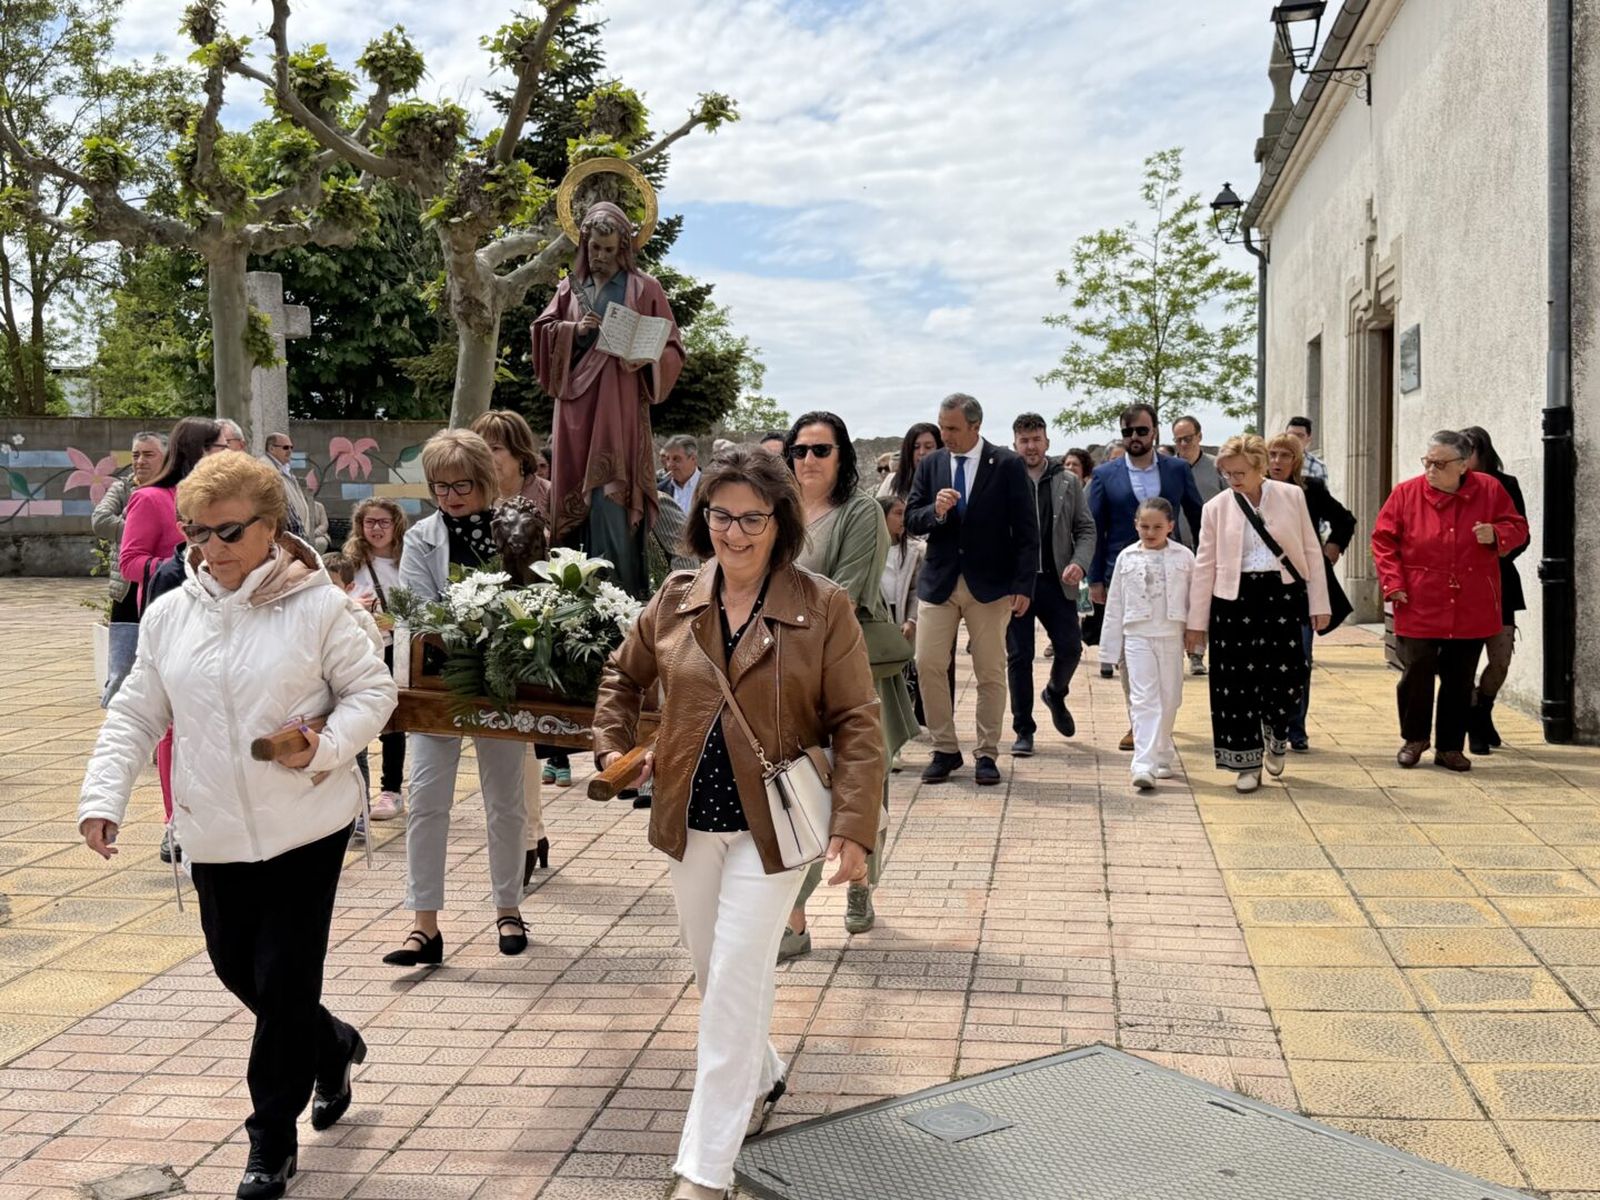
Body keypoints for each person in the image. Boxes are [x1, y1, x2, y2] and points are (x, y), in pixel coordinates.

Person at [79, 452, 395, 1200]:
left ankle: (269, 1142)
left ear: (270, 528)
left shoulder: (320, 606)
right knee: (238, 971)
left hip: (305, 825)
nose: (210, 550)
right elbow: (135, 711)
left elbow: (370, 692)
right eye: (196, 534)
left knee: (283, 982)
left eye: (228, 533)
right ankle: (335, 1043)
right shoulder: (168, 613)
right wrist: (102, 797)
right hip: (213, 828)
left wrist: (326, 745)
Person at [593, 447, 884, 1200]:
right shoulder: (676, 597)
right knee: (713, 972)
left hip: (773, 831)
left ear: (780, 522)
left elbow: (857, 721)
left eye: (753, 517)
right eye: (722, 515)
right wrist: (616, 747)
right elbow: (622, 677)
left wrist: (854, 826)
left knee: (731, 986)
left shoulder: (822, 607)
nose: (736, 531)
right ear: (703, 519)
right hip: (687, 822)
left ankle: (705, 1168)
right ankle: (764, 1072)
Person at [385, 430, 530, 965]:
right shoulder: (422, 537)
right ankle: (424, 924)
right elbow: (415, 610)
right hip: (438, 684)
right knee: (425, 800)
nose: (450, 496)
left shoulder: (514, 527)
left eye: (462, 484)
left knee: (506, 803)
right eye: (440, 487)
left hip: (503, 683)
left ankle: (508, 908)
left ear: (486, 479)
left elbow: (532, 597)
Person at [779, 412, 916, 957]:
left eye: (821, 450)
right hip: (785, 670)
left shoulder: (861, 512)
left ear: (842, 457)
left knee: (860, 784)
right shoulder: (778, 510)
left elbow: (847, 593)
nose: (808, 459)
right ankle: (794, 917)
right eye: (800, 450)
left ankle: (859, 882)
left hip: (848, 669)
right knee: (795, 788)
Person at [533, 200, 685, 598]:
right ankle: (571, 598)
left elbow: (672, 348)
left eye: (608, 248)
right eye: (593, 248)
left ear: (624, 248)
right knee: (571, 496)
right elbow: (543, 330)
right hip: (573, 410)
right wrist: (574, 330)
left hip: (618, 407)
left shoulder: (645, 288)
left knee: (611, 501)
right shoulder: (569, 289)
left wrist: (646, 353)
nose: (599, 256)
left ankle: (620, 599)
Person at [1371, 430, 1528, 771]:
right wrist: (1393, 583)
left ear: (1462, 465)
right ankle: (1414, 739)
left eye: (1439, 464)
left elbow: (1518, 528)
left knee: (1459, 677)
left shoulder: (1490, 489)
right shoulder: (1405, 493)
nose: (1430, 470)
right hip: (1418, 598)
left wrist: (1497, 534)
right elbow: (1384, 540)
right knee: (1417, 670)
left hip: (1471, 601)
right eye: (1427, 462)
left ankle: (1450, 747)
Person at [906, 394, 1038, 786]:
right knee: (927, 662)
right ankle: (945, 749)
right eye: (941, 426)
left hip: (991, 585)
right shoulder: (930, 465)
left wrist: (1023, 583)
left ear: (975, 427)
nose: (944, 435)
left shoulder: (1008, 464)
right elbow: (912, 519)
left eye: (952, 428)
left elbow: (1027, 532)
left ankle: (987, 752)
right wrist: (936, 511)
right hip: (939, 581)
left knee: (990, 670)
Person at [1186, 435, 1330, 793]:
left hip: (1281, 595)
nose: (1233, 480)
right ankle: (1245, 763)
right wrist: (1196, 625)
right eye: (1227, 473)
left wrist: (1320, 604)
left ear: (1260, 467)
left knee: (1288, 676)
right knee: (1235, 686)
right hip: (1232, 601)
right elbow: (1205, 565)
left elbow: (1312, 552)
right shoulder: (1216, 508)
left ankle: (1278, 732)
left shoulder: (1291, 496)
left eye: (1239, 473)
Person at [119, 417, 229, 862]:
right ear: (199, 450)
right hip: (175, 614)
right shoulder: (151, 498)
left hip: (222, 616)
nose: (229, 453)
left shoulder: (224, 499)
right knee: (172, 725)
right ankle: (173, 822)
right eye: (221, 446)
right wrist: (179, 564)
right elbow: (130, 562)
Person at [1087, 405, 1204, 749]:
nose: (1134, 438)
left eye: (1140, 431)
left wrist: (1202, 567)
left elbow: (1198, 519)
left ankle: (1162, 716)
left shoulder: (1178, 470)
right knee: (1128, 653)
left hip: (1171, 574)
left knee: (1168, 652)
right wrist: (1096, 579)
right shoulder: (1105, 474)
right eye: (1127, 432)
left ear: (1154, 432)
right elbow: (1096, 528)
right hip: (1122, 573)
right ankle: (1137, 722)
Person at [472, 409, 555, 878]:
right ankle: (533, 832)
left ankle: (524, 838)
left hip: (534, 630)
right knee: (511, 740)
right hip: (486, 631)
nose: (487, 456)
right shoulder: (474, 501)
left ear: (520, 453)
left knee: (519, 738)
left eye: (496, 447)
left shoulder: (544, 498)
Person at [1006, 413, 1095, 757]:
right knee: (1020, 656)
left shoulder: (1068, 482)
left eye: (1036, 439)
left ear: (1047, 441)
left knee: (1071, 648)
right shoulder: (1004, 478)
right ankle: (1023, 730)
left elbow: (1086, 528)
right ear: (1015, 443)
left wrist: (1079, 561)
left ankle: (1056, 692)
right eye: (1024, 440)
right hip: (1018, 584)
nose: (1030, 446)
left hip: (1058, 581)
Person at [1267, 434, 1357, 751]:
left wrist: (1331, 549)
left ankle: (1296, 728)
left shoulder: (1311, 490)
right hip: (1264, 588)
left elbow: (1345, 519)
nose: (1277, 462)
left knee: (1300, 659)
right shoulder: (1255, 490)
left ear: (1297, 460)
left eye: (1285, 456)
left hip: (1304, 586)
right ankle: (1269, 723)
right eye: (1272, 454)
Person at [1101, 498, 1193, 789]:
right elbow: (1115, 602)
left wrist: (1197, 638)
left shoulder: (1185, 557)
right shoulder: (1127, 557)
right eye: (1144, 526)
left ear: (1170, 526)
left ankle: (1162, 753)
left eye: (1157, 527)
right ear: (1135, 525)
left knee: (1170, 697)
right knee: (1143, 699)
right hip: (1136, 635)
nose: (1150, 532)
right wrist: (1109, 649)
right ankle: (1143, 764)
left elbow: (1196, 600)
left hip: (1171, 635)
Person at [1461, 426, 1527, 755]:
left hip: (1499, 581)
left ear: (1482, 451)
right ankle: (1475, 722)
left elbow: (1521, 533)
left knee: (1500, 659)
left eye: (1467, 450)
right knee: (1462, 661)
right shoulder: (1449, 487)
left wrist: (1497, 544)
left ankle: (1482, 711)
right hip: (1461, 586)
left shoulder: (1506, 484)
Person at [344, 498, 408, 822]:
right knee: (356, 717)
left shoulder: (407, 560)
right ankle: (354, 794)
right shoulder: (350, 560)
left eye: (384, 522)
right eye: (370, 522)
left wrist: (391, 620)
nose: (377, 528)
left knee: (393, 721)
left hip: (395, 645)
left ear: (396, 524)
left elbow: (419, 605)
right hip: (358, 649)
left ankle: (391, 789)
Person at [93, 430, 167, 701]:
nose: (140, 461)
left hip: (163, 587)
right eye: (136, 455)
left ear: (166, 458)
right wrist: (140, 529)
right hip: (127, 589)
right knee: (122, 667)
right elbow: (100, 520)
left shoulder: (175, 490)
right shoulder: (122, 487)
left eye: (148, 454)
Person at [878, 494, 926, 732]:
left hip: (903, 620)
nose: (903, 519)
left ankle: (901, 733)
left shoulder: (916, 551)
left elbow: (917, 589)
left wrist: (911, 619)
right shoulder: (868, 549)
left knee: (904, 679)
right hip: (878, 621)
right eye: (897, 513)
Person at [260, 432, 313, 538]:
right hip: (283, 535)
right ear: (271, 449)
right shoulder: (266, 468)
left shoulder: (283, 467)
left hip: (294, 534)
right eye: (285, 447)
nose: (289, 451)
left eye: (291, 447)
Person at [879, 421, 942, 501]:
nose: (922, 452)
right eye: (916, 447)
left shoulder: (950, 480)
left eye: (928, 447)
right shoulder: (892, 482)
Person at [1285, 416, 1327, 483]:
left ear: (1308, 439)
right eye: (1290, 435)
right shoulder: (1272, 461)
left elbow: (1321, 493)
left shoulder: (1317, 466)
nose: (1294, 439)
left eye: (1300, 435)